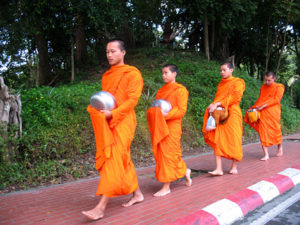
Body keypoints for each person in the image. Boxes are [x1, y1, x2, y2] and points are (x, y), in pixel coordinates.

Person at [82, 39, 144, 220]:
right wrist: (102, 113)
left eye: (113, 51)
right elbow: (104, 99)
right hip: (108, 120)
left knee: (114, 158)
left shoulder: (132, 73)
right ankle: (137, 194)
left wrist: (113, 114)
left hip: (123, 121)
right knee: (123, 158)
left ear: (123, 52)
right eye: (107, 52)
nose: (109, 55)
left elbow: (132, 101)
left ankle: (101, 207)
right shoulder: (107, 76)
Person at [147, 64, 192, 197]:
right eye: (162, 73)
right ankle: (185, 171)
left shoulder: (181, 90)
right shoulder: (161, 91)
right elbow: (156, 107)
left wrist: (167, 115)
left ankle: (166, 186)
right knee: (166, 154)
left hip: (173, 126)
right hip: (161, 125)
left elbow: (181, 110)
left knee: (169, 154)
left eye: (166, 73)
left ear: (174, 74)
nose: (163, 75)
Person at [202, 62, 245, 175]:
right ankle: (218, 168)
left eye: (224, 70)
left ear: (231, 70)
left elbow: (235, 97)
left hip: (233, 113)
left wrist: (218, 104)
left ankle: (234, 166)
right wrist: (213, 105)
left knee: (234, 139)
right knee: (218, 139)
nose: (222, 72)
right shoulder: (221, 84)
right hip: (220, 114)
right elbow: (218, 98)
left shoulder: (238, 82)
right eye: (221, 70)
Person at [244, 71, 285, 161]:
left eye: (269, 80)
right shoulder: (263, 87)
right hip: (262, 111)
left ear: (274, 79)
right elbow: (261, 99)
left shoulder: (279, 87)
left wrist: (264, 105)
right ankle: (266, 154)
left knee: (276, 130)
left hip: (273, 112)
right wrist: (255, 107)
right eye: (265, 80)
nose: (267, 82)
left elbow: (276, 100)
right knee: (262, 131)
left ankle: (279, 148)